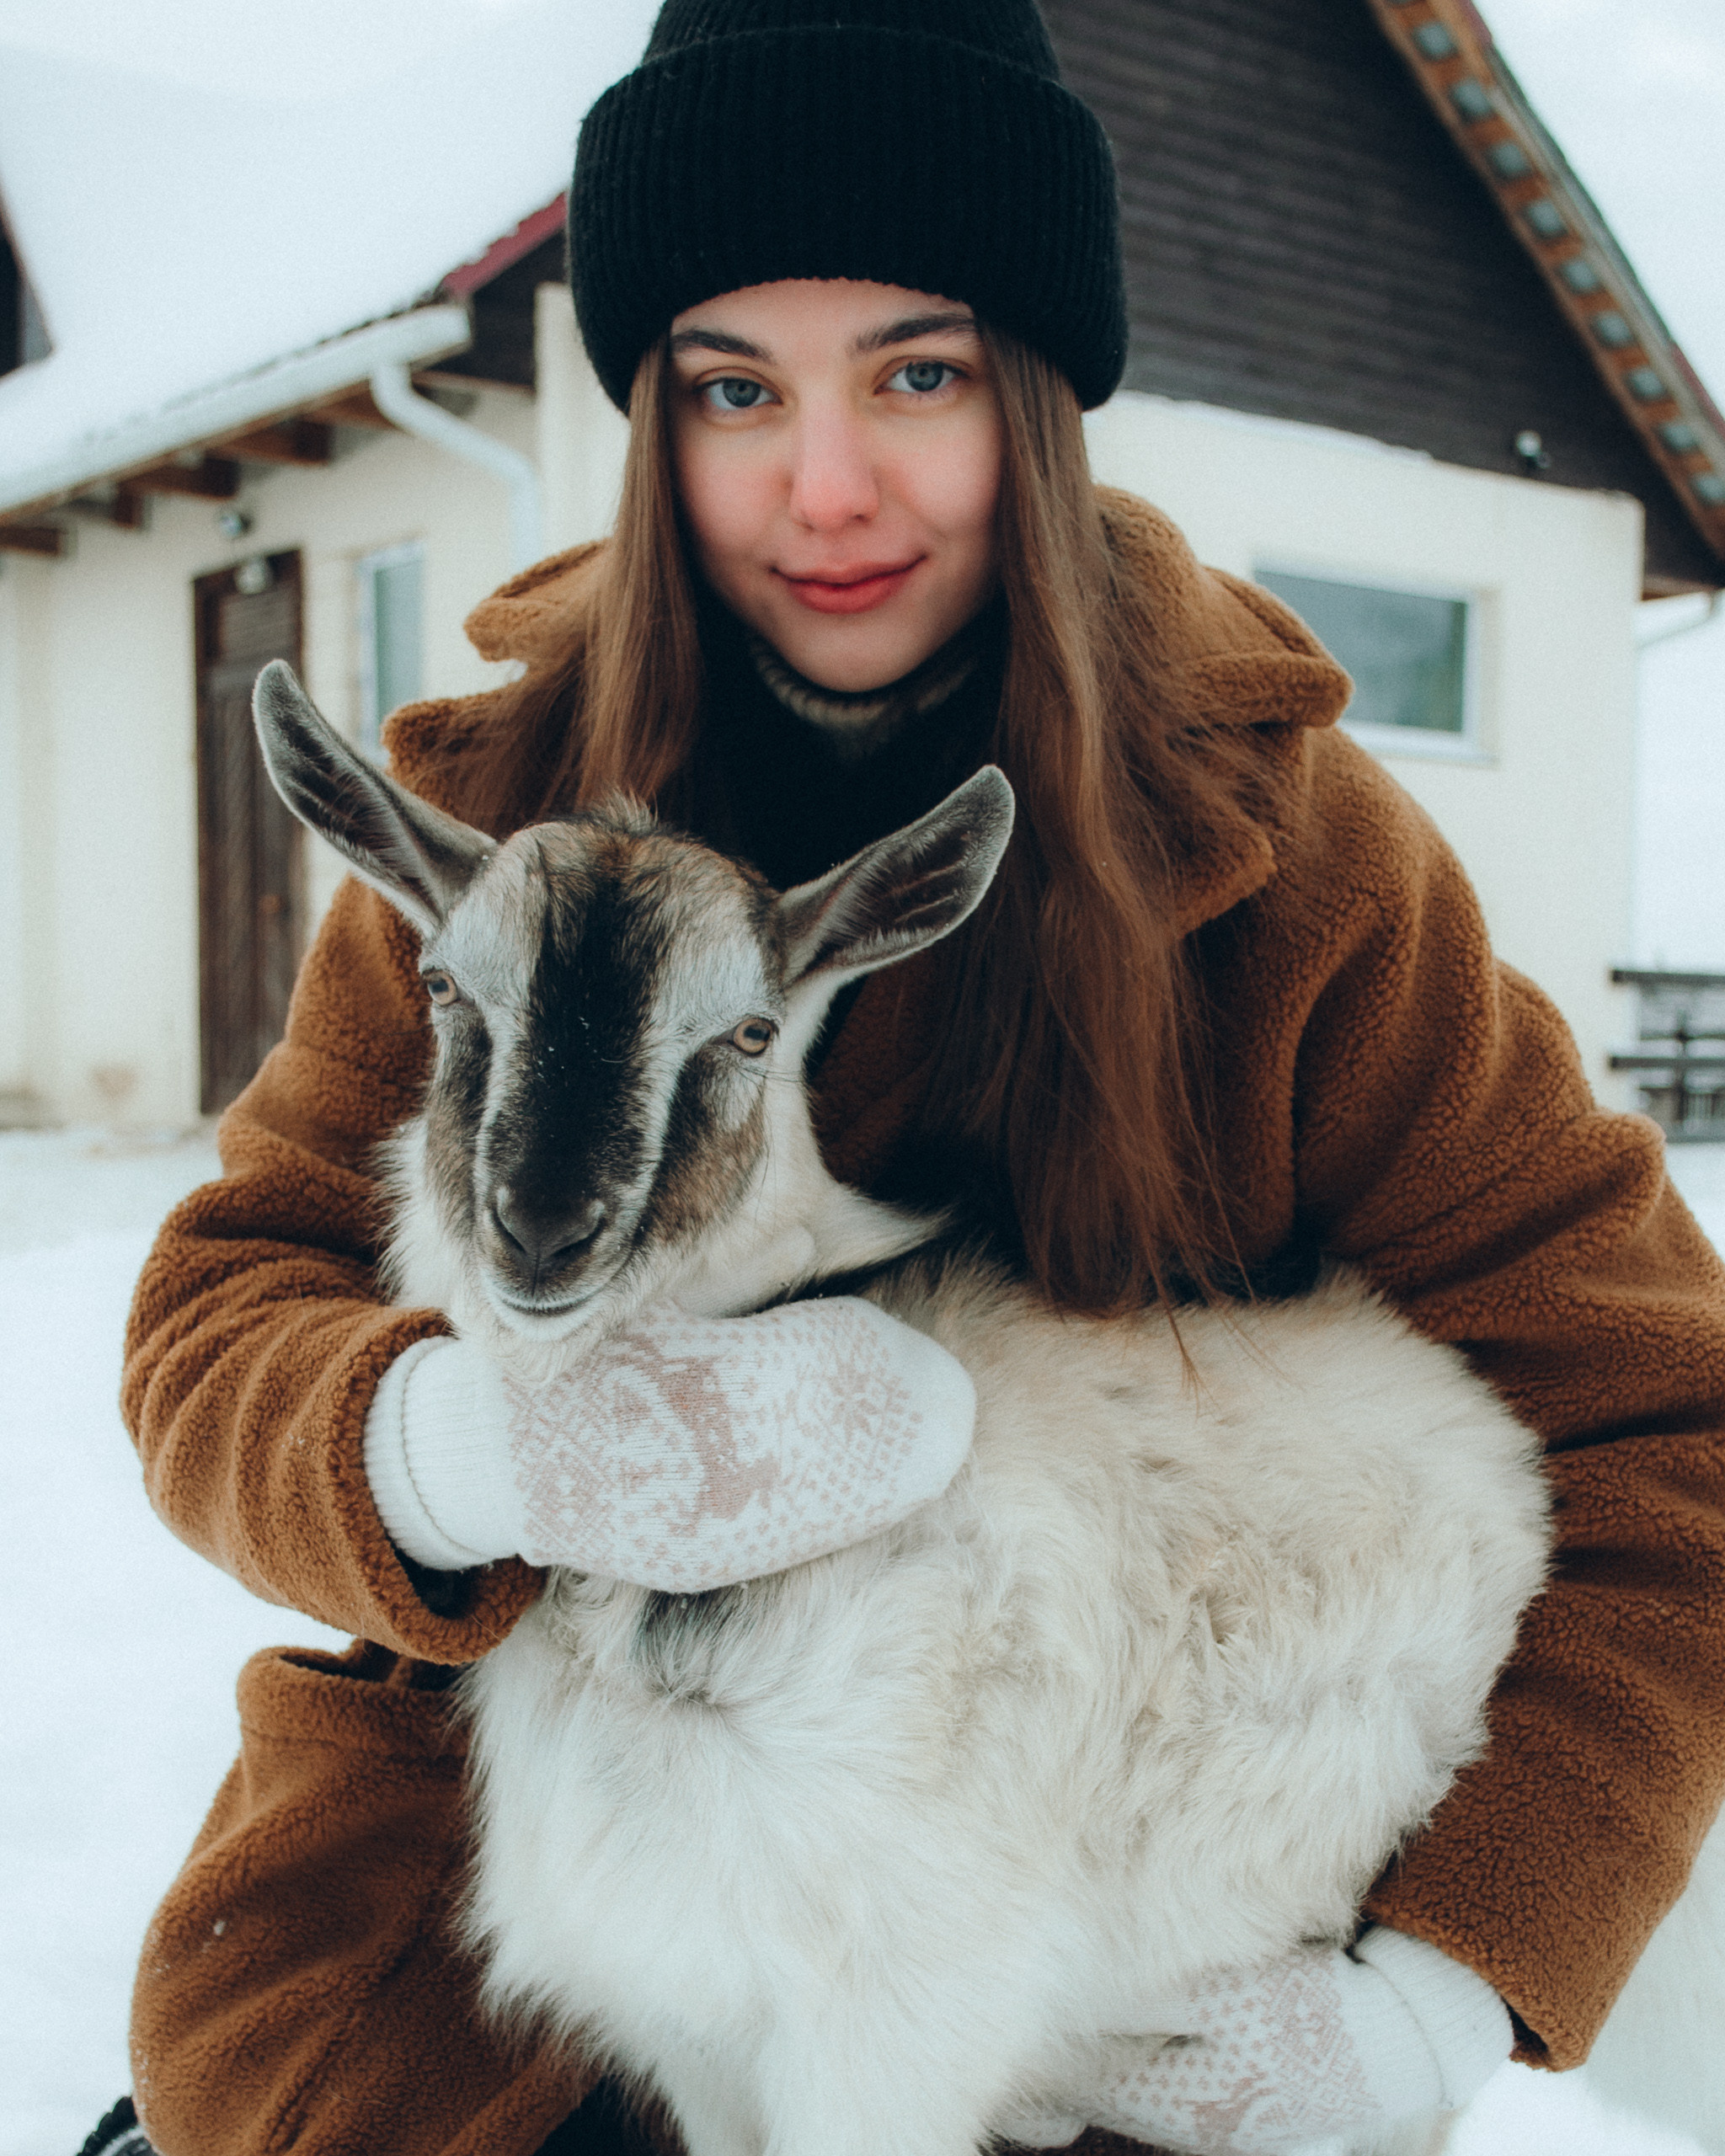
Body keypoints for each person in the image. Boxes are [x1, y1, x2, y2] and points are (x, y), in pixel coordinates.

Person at [100, 3, 1725, 2153]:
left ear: (1034, 392)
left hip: (1071, 1919)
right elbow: (222, 1318)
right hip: (515, 1921)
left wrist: (1432, 1997)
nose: (828, 485)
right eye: (735, 388)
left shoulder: (1285, 860)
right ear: (652, 419)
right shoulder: (497, 821)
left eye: (918, 375)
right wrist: (471, 1449)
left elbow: (1667, 1425)